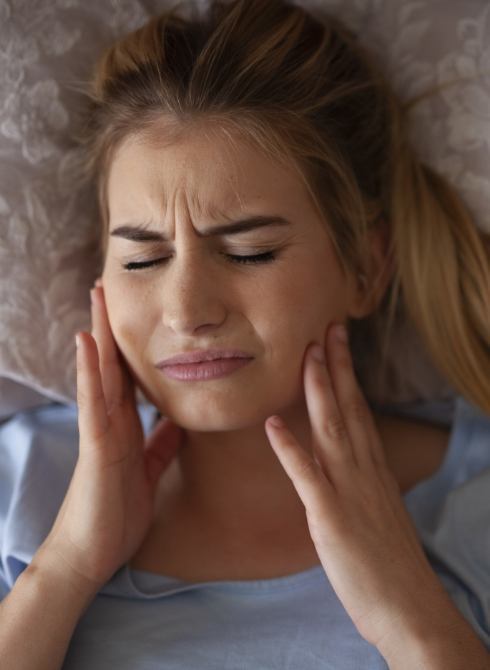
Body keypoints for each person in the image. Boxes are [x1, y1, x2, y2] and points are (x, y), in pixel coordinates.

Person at [0, 0, 489, 668]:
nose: (185, 311)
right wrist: (63, 572)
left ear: (367, 268)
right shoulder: (18, 488)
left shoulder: (476, 503)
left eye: (250, 252)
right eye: (142, 260)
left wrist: (415, 623)